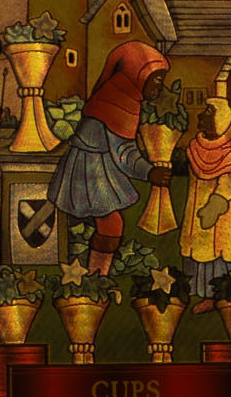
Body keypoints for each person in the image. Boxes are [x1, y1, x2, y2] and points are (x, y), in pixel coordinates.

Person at [52, 39, 166, 273]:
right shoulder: (117, 102)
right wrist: (149, 172)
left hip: (95, 166)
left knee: (103, 224)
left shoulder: (119, 96)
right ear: (137, 75)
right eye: (156, 79)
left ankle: (93, 273)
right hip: (90, 170)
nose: (160, 87)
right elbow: (124, 152)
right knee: (110, 224)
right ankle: (96, 276)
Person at [179, 92, 231, 309]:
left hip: (225, 216)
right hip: (197, 209)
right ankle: (206, 294)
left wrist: (216, 204)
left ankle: (230, 293)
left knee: (226, 249)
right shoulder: (196, 146)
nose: (201, 115)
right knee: (201, 247)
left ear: (221, 121)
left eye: (208, 112)